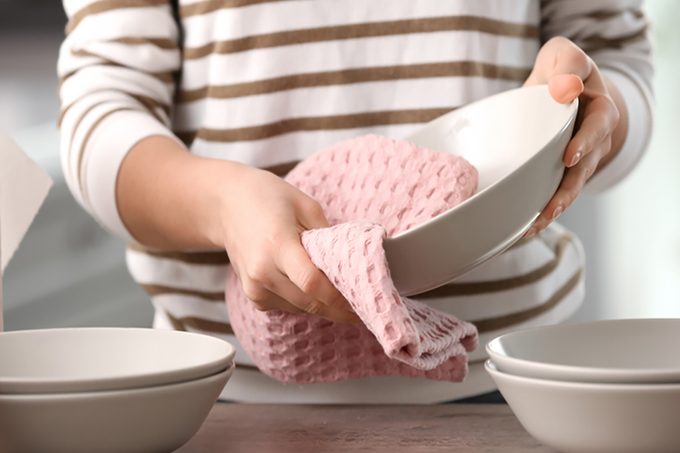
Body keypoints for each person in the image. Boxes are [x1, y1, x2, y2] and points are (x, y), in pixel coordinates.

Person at [58, 0, 653, 403]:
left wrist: (581, 118)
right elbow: (99, 116)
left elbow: (619, 61)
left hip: (511, 384)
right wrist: (224, 203)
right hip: (222, 395)